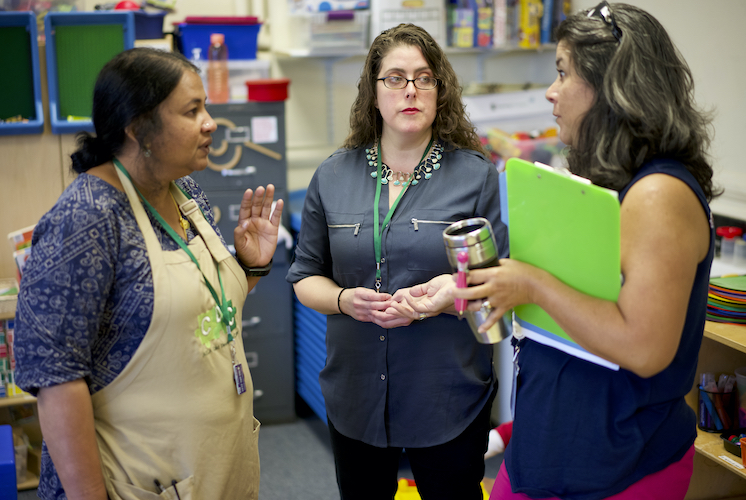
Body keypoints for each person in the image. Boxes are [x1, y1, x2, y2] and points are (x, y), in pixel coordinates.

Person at [403, 2, 717, 499]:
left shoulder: (660, 195)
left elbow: (645, 348)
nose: (551, 92)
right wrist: (480, 285)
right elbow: (578, 298)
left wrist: (529, 283)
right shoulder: (609, 182)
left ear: (611, 86)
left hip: (617, 467)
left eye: (562, 73)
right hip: (547, 449)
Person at [13, 47, 283, 500]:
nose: (210, 122)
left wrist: (250, 265)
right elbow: (56, 381)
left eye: (206, 107)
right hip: (136, 484)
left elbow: (194, 313)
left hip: (212, 469)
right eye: (192, 110)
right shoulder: (86, 219)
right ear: (139, 129)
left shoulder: (183, 192)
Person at [286, 23, 508, 500]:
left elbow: (494, 283)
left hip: (447, 392)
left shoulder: (474, 176)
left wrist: (444, 296)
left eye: (423, 78)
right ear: (373, 92)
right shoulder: (332, 176)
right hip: (355, 392)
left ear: (439, 90)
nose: (410, 90)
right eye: (395, 78)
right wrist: (346, 301)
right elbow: (305, 278)